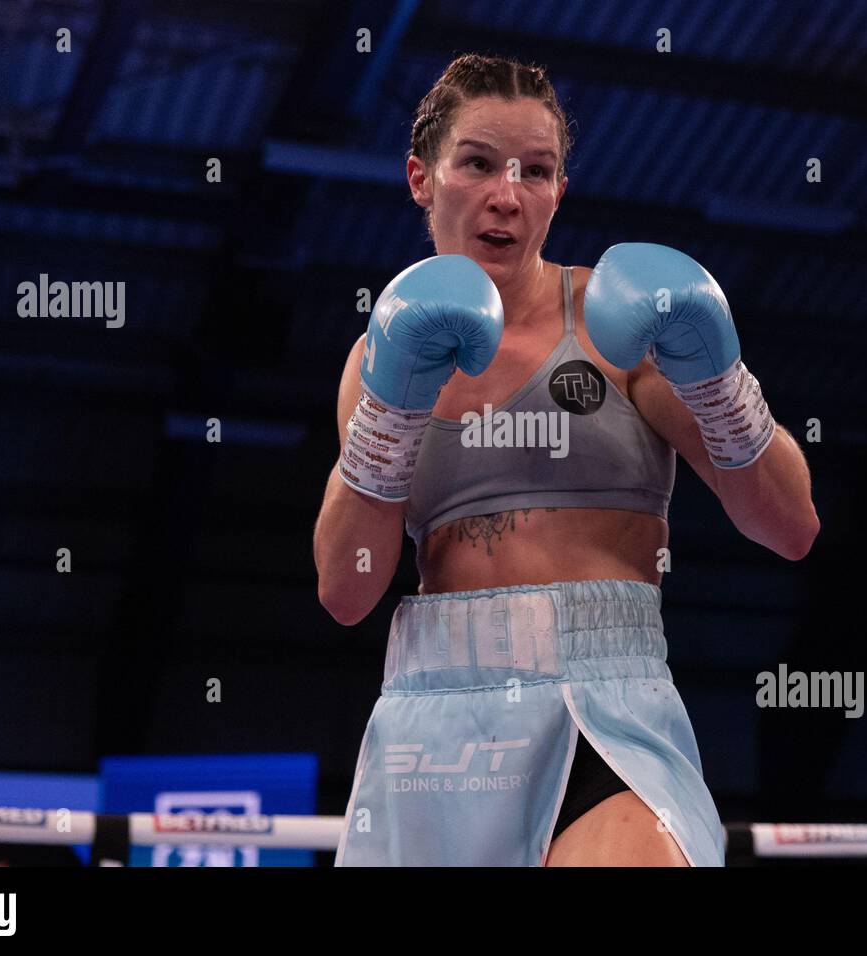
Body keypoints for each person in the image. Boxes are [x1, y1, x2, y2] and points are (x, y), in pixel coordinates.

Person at [314, 54, 819, 866]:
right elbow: (344, 590)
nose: (507, 196)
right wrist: (390, 414)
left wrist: (722, 386)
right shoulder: (374, 361)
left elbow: (790, 527)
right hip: (435, 726)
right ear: (421, 177)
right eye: (477, 163)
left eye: (536, 171)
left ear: (557, 191)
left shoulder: (625, 331)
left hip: (603, 705)